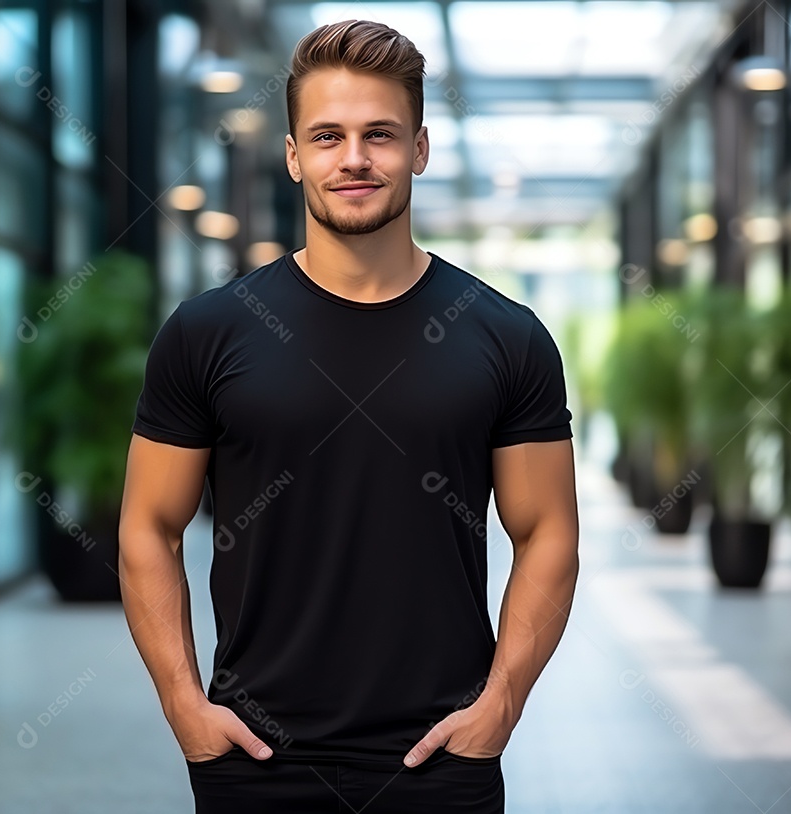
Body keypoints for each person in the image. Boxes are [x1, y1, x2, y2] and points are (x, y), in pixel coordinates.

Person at [118, 18, 579, 814]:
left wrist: (501, 704)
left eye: (380, 135)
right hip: (255, 762)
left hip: (442, 763)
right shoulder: (209, 332)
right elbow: (146, 527)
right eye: (327, 136)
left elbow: (548, 534)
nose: (355, 158)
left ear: (420, 149)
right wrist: (183, 704)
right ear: (294, 155)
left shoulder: (506, 336)